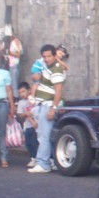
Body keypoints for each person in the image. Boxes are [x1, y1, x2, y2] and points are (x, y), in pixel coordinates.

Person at [28, 44, 66, 174]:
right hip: (43, 104)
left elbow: (58, 90)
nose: (46, 59)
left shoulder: (56, 69)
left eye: (49, 56)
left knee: (44, 136)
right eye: (44, 57)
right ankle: (51, 161)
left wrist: (53, 108)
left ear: (55, 55)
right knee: (46, 136)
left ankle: (43, 163)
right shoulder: (48, 67)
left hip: (48, 105)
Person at [15, 82, 40, 166]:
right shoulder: (21, 103)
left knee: (34, 143)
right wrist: (25, 114)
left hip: (35, 126)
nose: (22, 94)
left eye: (23, 91)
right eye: (20, 92)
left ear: (29, 91)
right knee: (28, 143)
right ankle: (32, 158)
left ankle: (37, 158)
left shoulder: (34, 100)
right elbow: (20, 115)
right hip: (27, 126)